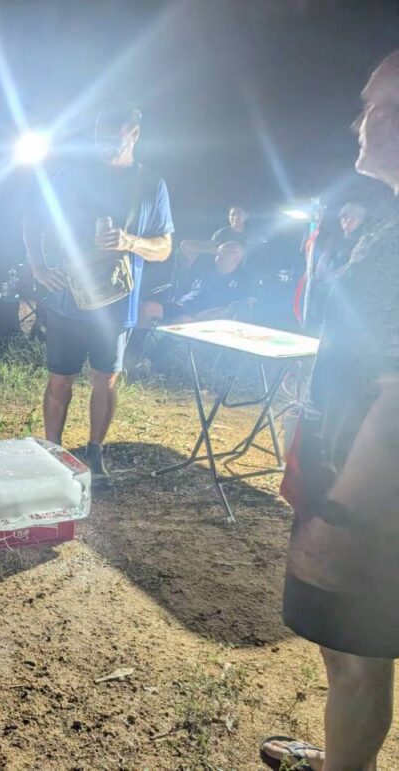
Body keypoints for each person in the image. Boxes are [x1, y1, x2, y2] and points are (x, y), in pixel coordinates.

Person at [259, 50, 399, 771]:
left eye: (381, 107)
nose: (362, 122)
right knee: (354, 652)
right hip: (346, 471)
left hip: (368, 495)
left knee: (356, 657)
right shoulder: (387, 225)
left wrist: (343, 508)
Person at [23, 102, 173, 490]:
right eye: (98, 137)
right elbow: (33, 218)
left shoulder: (150, 184)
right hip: (67, 299)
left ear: (134, 135)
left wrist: (129, 241)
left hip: (118, 303)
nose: (103, 144)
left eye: (112, 136)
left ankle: (94, 453)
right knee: (60, 379)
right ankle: (53, 452)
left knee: (105, 380)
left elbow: (164, 246)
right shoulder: (72, 175)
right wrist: (39, 268)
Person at [304, 201, 369, 330]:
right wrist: (321, 272)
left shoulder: (363, 240)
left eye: (353, 219)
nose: (348, 221)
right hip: (329, 279)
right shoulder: (334, 237)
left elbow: (353, 263)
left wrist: (334, 276)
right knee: (318, 288)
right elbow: (325, 256)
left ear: (361, 222)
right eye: (345, 217)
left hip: (348, 282)